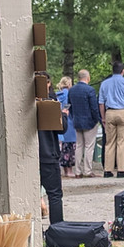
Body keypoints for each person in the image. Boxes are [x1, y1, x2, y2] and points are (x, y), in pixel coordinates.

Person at [38, 74, 68, 224]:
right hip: (48, 153)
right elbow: (61, 128)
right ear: (48, 84)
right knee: (55, 195)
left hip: (29, 156)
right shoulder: (50, 103)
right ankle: (57, 229)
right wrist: (64, 115)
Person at [98, 61, 124, 178]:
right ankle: (121, 169)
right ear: (123, 71)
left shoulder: (104, 84)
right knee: (122, 142)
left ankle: (108, 169)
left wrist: (103, 117)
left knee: (109, 142)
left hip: (110, 112)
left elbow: (101, 102)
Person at [68, 69, 101, 178]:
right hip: (89, 122)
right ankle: (87, 170)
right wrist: (97, 120)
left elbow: (69, 106)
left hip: (77, 121)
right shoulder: (90, 90)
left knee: (79, 146)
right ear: (88, 77)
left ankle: (77, 171)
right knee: (89, 146)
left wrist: (73, 118)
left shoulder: (71, 90)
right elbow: (94, 108)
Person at [55, 76, 76, 178]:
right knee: (70, 148)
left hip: (59, 121)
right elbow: (68, 107)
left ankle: (64, 170)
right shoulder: (68, 94)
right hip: (69, 123)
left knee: (63, 148)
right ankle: (69, 171)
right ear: (69, 84)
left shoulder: (57, 95)